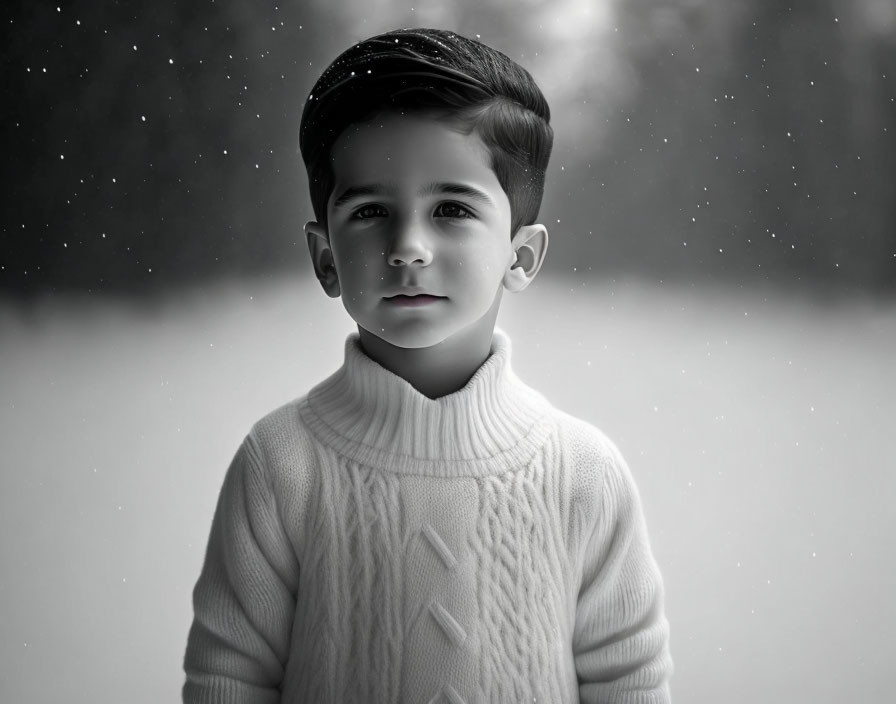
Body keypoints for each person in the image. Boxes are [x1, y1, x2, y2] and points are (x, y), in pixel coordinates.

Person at [182, 27, 673, 703]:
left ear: (520, 256)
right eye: (372, 211)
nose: (409, 246)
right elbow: (228, 678)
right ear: (326, 259)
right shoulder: (280, 465)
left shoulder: (582, 473)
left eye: (451, 209)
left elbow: (629, 679)